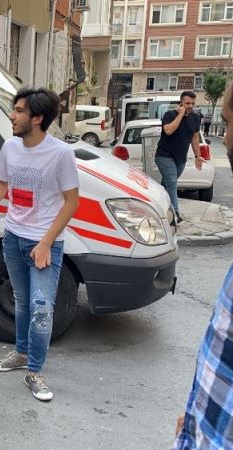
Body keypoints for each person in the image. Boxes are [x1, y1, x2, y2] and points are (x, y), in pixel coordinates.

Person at [0, 88, 80, 402]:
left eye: (19, 111)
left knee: (41, 308)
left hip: (44, 243)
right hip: (13, 237)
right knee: (22, 302)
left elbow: (72, 202)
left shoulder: (61, 154)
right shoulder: (10, 147)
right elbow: (2, 182)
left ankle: (34, 371)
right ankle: (21, 353)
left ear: (37, 119)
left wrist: (46, 243)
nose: (12, 116)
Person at [173, 82, 233, 449]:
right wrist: (197, 409)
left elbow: (196, 140)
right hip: (203, 424)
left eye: (227, 123)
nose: (225, 137)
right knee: (169, 185)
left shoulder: (195, 122)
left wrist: (197, 153)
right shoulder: (173, 115)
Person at [155, 90, 203, 222]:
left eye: (192, 103)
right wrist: (181, 114)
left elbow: (194, 137)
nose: (190, 106)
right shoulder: (170, 114)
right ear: (181, 102)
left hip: (181, 158)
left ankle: (157, 206)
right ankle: (175, 215)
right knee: (172, 183)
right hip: (164, 155)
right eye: (187, 103)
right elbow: (168, 131)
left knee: (166, 185)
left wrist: (198, 156)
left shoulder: (195, 118)